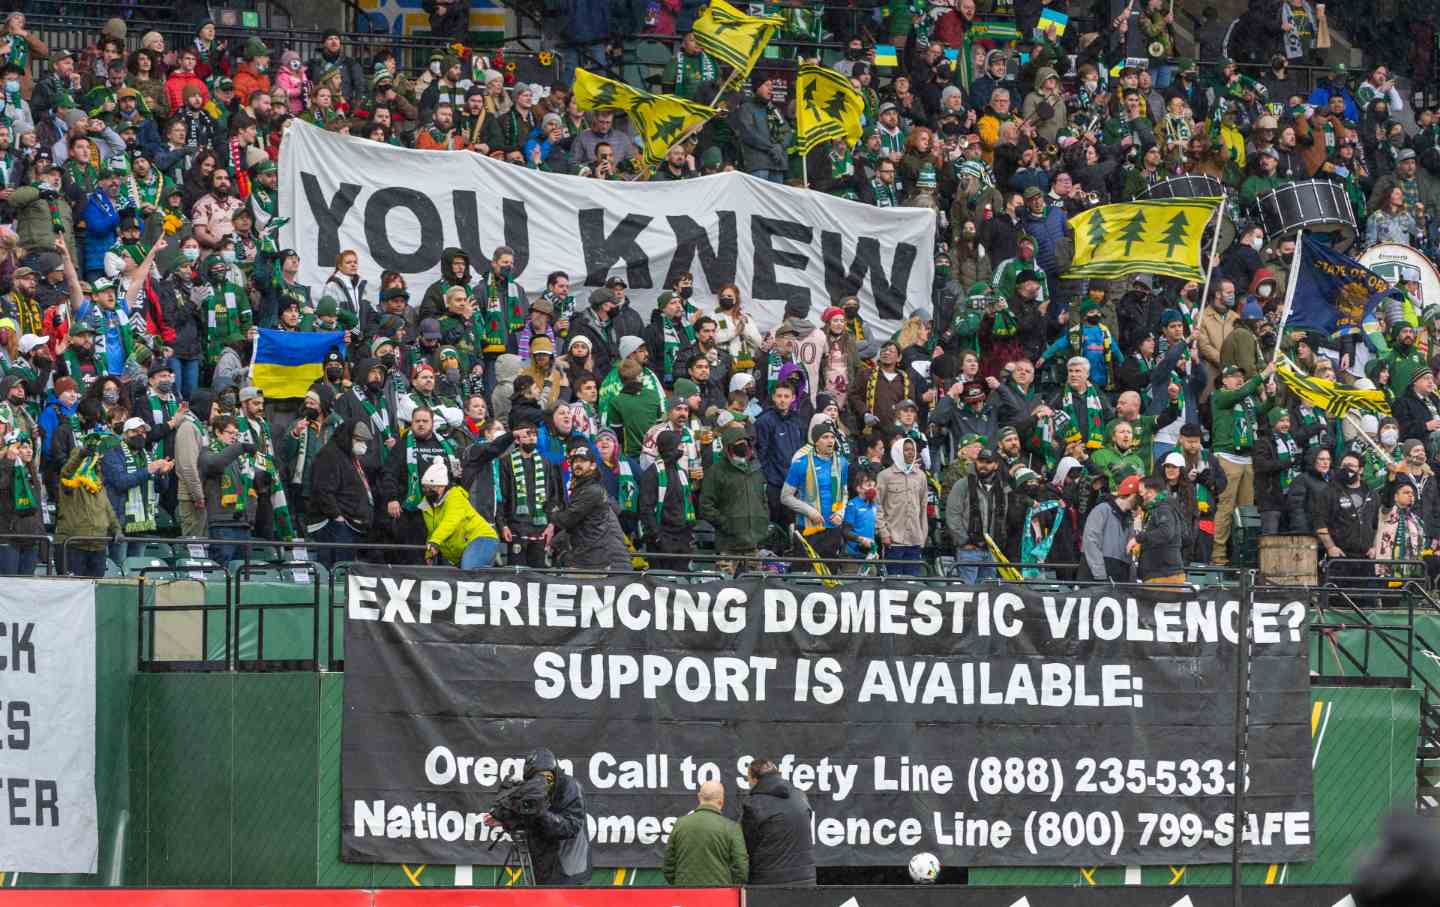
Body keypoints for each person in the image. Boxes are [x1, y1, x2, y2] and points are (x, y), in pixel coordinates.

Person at [549, 442, 631, 571]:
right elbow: (579, 525)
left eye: (583, 461)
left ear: (593, 465)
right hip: (591, 558)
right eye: (575, 461)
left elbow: (567, 520)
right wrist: (555, 542)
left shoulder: (592, 491)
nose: (578, 464)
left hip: (591, 563)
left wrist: (550, 510)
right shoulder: (585, 488)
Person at [308, 418, 375, 568]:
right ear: (347, 436)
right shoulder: (329, 455)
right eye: (358, 440)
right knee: (337, 572)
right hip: (334, 528)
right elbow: (323, 490)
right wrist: (337, 517)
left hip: (350, 527)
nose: (362, 445)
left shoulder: (349, 457)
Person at [741, 756, 815, 887]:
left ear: (754, 779)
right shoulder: (800, 795)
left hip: (769, 883)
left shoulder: (753, 804)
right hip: (805, 879)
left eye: (748, 779)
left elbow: (745, 846)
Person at [663, 781, 748, 887]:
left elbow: (668, 865)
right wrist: (729, 887)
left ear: (699, 797)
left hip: (685, 894)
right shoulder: (731, 828)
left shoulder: (680, 824)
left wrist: (680, 885)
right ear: (721, 801)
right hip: (720, 896)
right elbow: (741, 869)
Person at [419, 460, 498, 568]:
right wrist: (429, 553)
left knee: (468, 572)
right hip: (462, 549)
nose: (427, 491)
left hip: (481, 538)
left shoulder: (455, 496)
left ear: (443, 486)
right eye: (425, 487)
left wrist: (435, 541)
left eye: (432, 487)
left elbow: (450, 521)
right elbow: (432, 531)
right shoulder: (426, 505)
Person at [875, 435, 928, 575]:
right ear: (897, 452)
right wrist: (884, 533)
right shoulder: (885, 476)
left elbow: (923, 507)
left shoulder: (921, 476)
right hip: (893, 540)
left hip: (915, 540)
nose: (911, 453)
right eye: (906, 450)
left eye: (912, 450)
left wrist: (923, 535)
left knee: (912, 583)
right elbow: (877, 506)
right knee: (894, 584)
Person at [1129, 475, 1186, 584]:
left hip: (1163, 575)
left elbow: (1166, 532)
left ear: (1150, 492)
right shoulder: (1157, 509)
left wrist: (1138, 538)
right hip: (1159, 574)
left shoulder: (1163, 509)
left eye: (1140, 492)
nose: (1138, 496)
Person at [1083, 473, 1140, 582]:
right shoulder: (1102, 510)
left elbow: (1130, 552)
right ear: (1133, 495)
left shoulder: (1129, 518)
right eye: (1140, 496)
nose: (1142, 501)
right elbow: (1091, 542)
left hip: (1119, 578)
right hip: (1098, 579)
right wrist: (1100, 575)